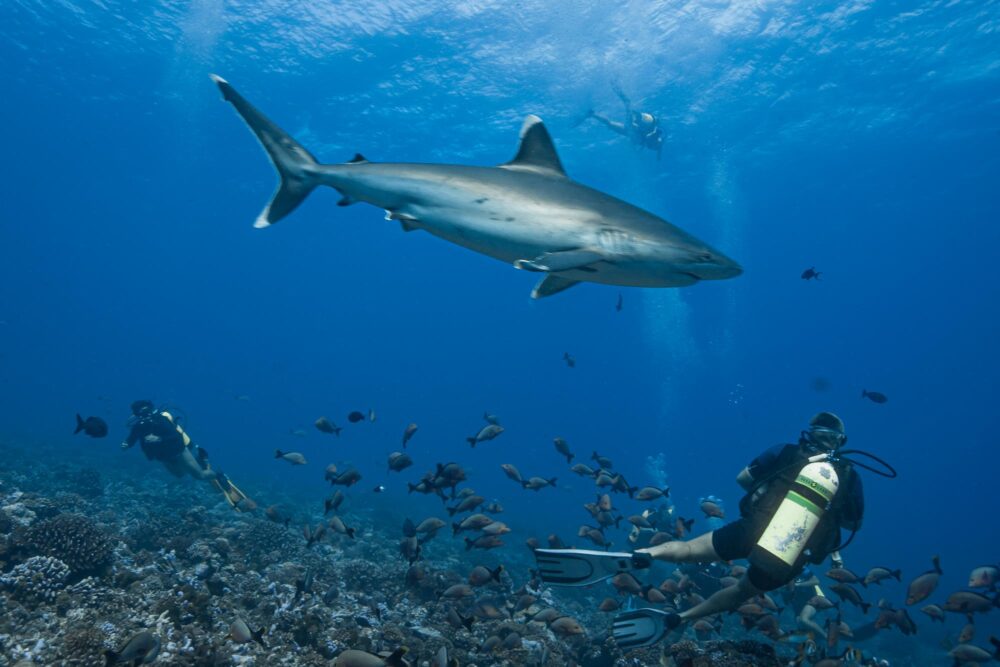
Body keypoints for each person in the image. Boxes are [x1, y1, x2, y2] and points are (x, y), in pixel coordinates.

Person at [623, 412, 864, 640]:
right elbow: (852, 523)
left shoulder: (785, 451)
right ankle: (681, 617)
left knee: (688, 550)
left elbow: (743, 479)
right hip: (792, 554)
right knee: (740, 592)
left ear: (810, 432)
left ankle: (643, 554)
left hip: (754, 528)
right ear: (840, 442)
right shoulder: (849, 476)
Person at [121, 400, 253, 511]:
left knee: (199, 475)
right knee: (179, 475)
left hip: (178, 451)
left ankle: (218, 475)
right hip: (163, 457)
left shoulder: (161, 420)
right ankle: (197, 463)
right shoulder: (139, 426)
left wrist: (159, 439)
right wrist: (127, 444)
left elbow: (176, 436)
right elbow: (132, 437)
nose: (142, 414)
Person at [587, 84, 664, 159]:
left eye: (650, 146)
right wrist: (656, 137)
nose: (650, 145)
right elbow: (654, 136)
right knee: (627, 104)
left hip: (628, 130)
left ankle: (592, 114)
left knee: (609, 123)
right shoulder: (654, 136)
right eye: (652, 145)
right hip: (631, 127)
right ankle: (615, 87)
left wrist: (658, 155)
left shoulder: (647, 141)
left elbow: (650, 142)